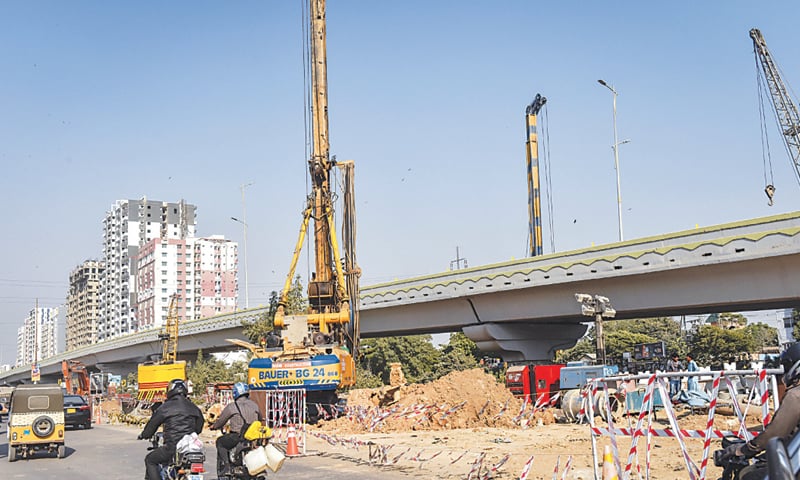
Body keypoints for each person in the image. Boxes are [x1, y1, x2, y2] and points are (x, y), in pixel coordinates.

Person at [721, 342, 800, 480]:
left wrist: (744, 450)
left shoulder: (796, 395)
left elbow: (776, 433)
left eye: (786, 366)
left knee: (748, 476)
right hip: (794, 454)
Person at [138, 379, 205, 480]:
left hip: (172, 447)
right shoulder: (193, 407)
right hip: (190, 448)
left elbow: (152, 424)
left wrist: (144, 434)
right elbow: (199, 426)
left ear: (170, 390)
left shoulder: (165, 407)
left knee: (150, 460)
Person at [210, 382, 265, 480]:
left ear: (235, 393)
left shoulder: (232, 406)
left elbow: (221, 421)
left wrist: (214, 426)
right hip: (253, 438)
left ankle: (226, 467)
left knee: (220, 442)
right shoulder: (254, 405)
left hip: (237, 437)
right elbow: (261, 418)